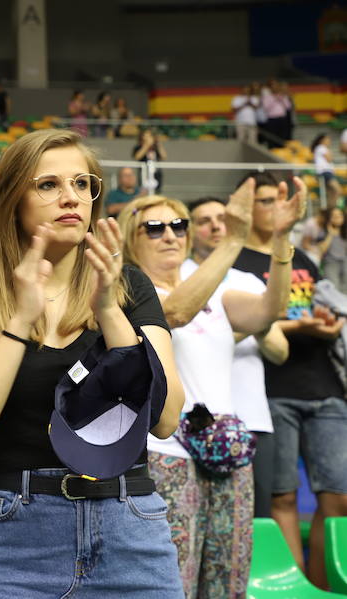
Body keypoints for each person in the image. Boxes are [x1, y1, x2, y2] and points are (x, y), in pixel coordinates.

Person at [0, 128, 185, 598]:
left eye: (82, 183)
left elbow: (166, 419)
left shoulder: (129, 287)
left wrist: (110, 311)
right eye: (48, 185)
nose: (70, 197)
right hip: (14, 536)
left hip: (129, 525)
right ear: (13, 199)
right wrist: (21, 319)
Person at [119, 179, 303, 598]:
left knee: (228, 577)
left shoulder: (213, 291)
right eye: (155, 228)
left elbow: (270, 310)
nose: (170, 235)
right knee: (174, 580)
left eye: (178, 225)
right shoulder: (127, 291)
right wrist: (234, 240)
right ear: (132, 239)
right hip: (164, 455)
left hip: (226, 451)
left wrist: (281, 238)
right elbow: (178, 311)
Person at [233, 171, 347, 589]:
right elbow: (248, 321)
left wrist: (328, 323)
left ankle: (324, 586)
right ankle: (293, 587)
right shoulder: (235, 262)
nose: (272, 208)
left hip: (326, 387)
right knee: (281, 497)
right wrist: (299, 327)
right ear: (247, 208)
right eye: (263, 201)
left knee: (338, 497)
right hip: (272, 388)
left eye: (276, 200)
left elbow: (317, 301)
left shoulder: (301, 257)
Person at [188, 196, 290, 519]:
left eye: (222, 218)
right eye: (204, 220)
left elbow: (279, 351)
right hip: (196, 422)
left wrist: (255, 322)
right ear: (189, 230)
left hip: (253, 420)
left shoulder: (248, 281)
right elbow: (197, 340)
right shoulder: (180, 278)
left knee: (255, 521)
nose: (216, 226)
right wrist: (253, 319)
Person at [133, 129, 166, 194]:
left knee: (157, 192)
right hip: (144, 172)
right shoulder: (139, 147)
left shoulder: (155, 147)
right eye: (146, 136)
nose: (148, 138)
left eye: (150, 136)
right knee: (144, 191)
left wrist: (158, 144)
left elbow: (164, 156)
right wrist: (146, 145)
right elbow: (137, 157)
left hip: (156, 173)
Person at [312, 133, 341, 209]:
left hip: (324, 172)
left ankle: (330, 209)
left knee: (331, 193)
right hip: (325, 172)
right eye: (327, 139)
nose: (329, 141)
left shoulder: (319, 148)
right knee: (337, 190)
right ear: (322, 140)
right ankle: (332, 209)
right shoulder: (322, 148)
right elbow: (329, 159)